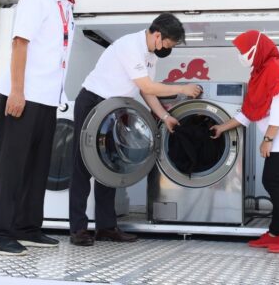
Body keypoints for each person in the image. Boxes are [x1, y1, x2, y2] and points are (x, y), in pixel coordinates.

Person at [0, 0, 95, 256]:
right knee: (12, 165)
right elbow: (20, 42)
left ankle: (27, 227)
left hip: (46, 98)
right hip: (24, 94)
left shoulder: (65, 6)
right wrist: (17, 91)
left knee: (37, 167)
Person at [69, 13, 202, 246]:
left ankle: (106, 227)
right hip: (93, 101)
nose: (167, 50)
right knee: (84, 164)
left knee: (109, 165)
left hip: (115, 108)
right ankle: (78, 229)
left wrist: (165, 116)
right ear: (158, 35)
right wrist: (182, 89)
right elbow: (146, 85)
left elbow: (146, 92)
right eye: (168, 45)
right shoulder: (130, 45)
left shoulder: (151, 56)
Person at [211, 30, 279, 253]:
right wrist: (221, 127)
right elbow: (248, 113)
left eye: (243, 51)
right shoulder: (260, 73)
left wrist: (268, 139)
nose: (241, 55)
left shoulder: (275, 68)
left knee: (272, 182)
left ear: (256, 49)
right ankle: (276, 233)